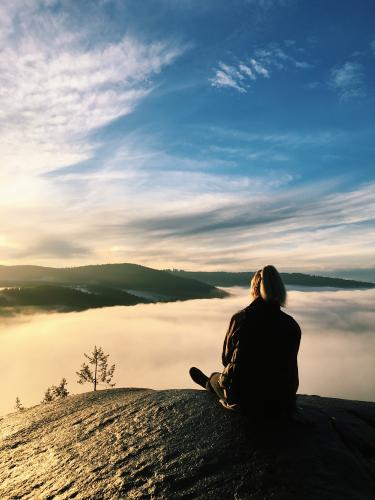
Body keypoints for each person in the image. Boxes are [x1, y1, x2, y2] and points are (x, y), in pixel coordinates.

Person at [189, 265, 301, 420]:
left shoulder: (241, 318)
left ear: (255, 289)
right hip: (281, 401)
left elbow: (226, 359)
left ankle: (208, 383)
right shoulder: (292, 325)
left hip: (245, 399)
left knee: (216, 377)